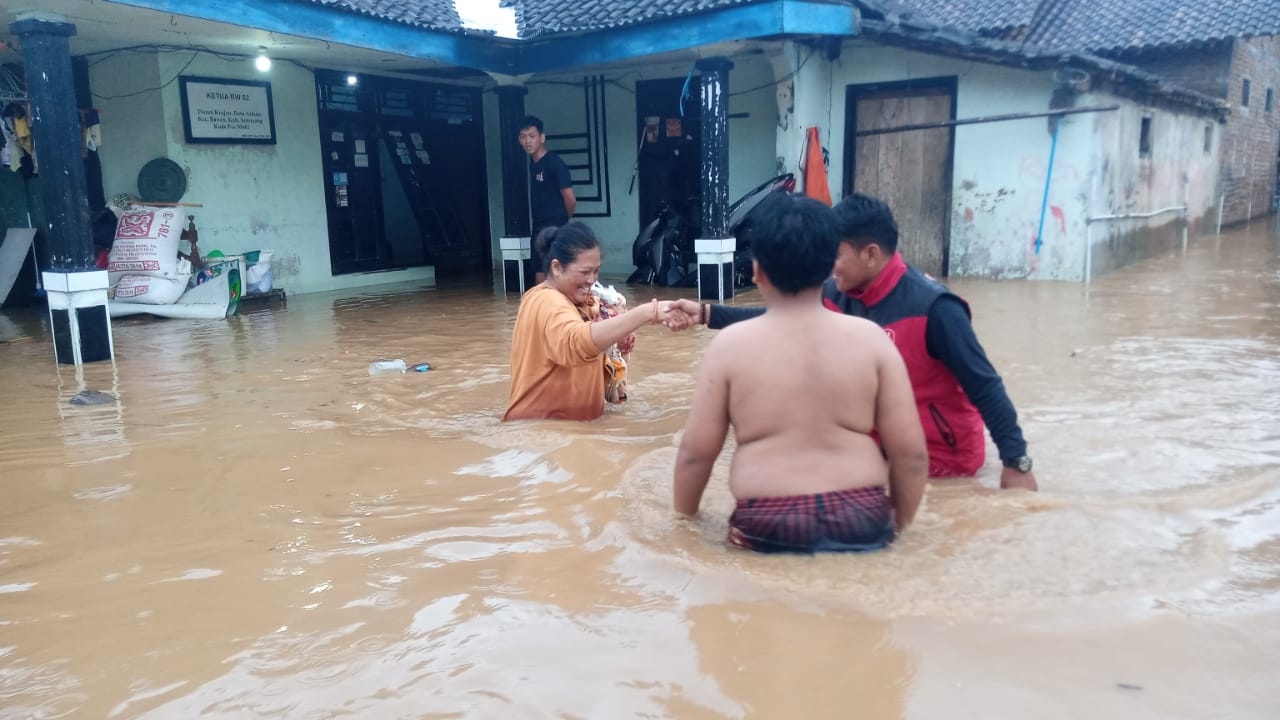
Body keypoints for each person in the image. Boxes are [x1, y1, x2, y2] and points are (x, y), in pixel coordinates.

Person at [671, 192, 1038, 491]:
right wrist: (705, 313)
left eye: (837, 254)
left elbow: (986, 387)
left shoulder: (936, 309)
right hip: (877, 458)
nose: (830, 264)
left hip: (944, 466)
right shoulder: (840, 294)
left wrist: (1016, 462)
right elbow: (781, 319)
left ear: (871, 254)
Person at [673, 192, 928, 554]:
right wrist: (895, 531)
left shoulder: (729, 347)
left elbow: (695, 455)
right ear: (829, 267)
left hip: (766, 519)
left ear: (758, 271)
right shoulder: (871, 340)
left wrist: (683, 527)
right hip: (861, 514)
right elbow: (912, 455)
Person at [504, 222, 678, 422]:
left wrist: (617, 322)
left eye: (596, 271)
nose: (592, 280)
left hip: (567, 434)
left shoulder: (582, 304)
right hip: (542, 437)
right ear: (557, 268)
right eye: (585, 272)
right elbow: (577, 342)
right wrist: (649, 312)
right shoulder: (547, 300)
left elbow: (606, 348)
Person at [519, 116, 576, 284]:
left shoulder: (554, 163)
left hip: (555, 227)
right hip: (538, 226)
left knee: (557, 272)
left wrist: (564, 221)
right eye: (523, 136)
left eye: (532, 136)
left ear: (542, 137)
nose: (527, 141)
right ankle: (540, 308)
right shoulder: (533, 164)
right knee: (539, 271)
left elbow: (570, 199)